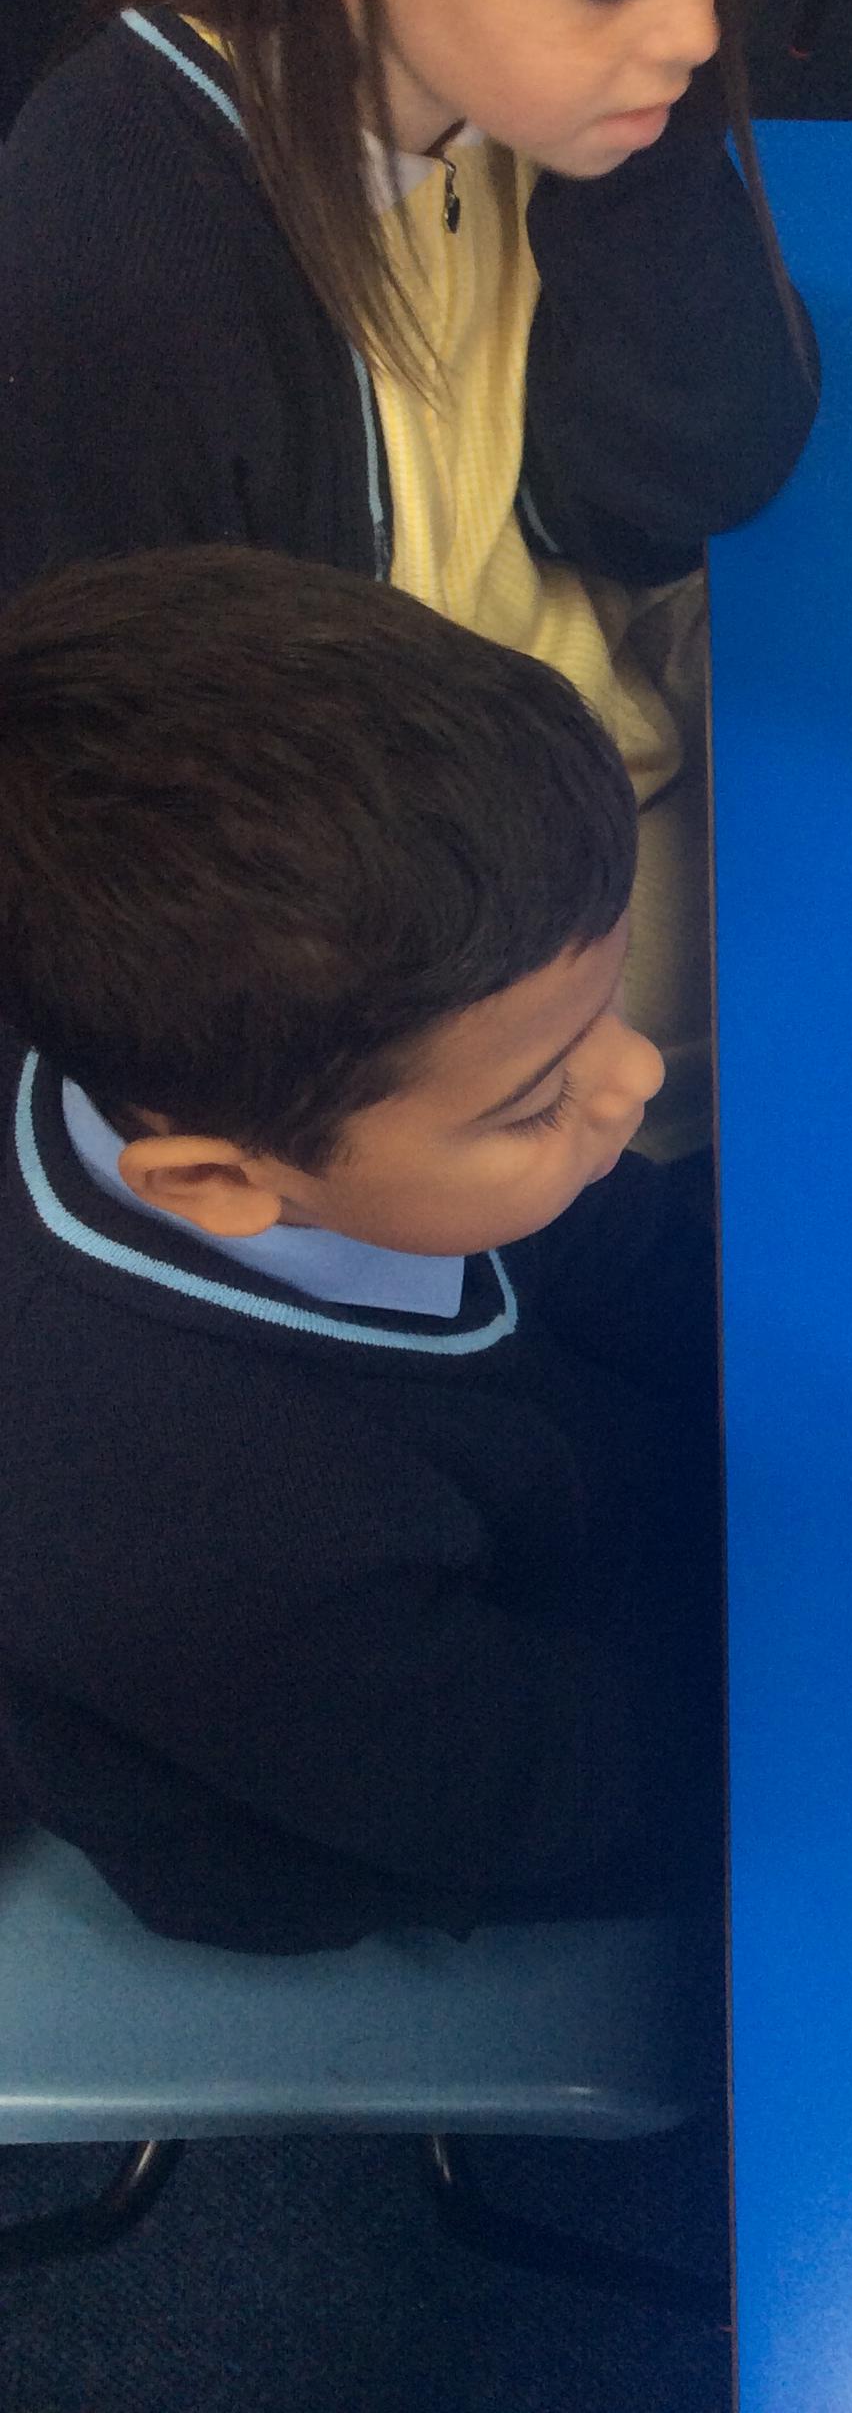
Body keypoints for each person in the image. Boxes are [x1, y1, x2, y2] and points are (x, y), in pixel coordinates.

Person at [0, 0, 820, 1161]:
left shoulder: (528, 94)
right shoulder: (125, 258)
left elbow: (709, 459)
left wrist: (636, 155)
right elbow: (148, 839)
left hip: (590, 691)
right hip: (458, 883)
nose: (695, 30)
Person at [0, 548, 724, 1955]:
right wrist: (838, 1667)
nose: (636, 1078)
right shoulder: (193, 1534)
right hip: (412, 1781)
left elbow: (604, 1239)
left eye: (604, 1006)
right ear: (219, 1183)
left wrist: (778, 1393)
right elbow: (531, 1794)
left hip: (514, 1524)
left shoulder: (259, 1064)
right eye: (537, 1098)